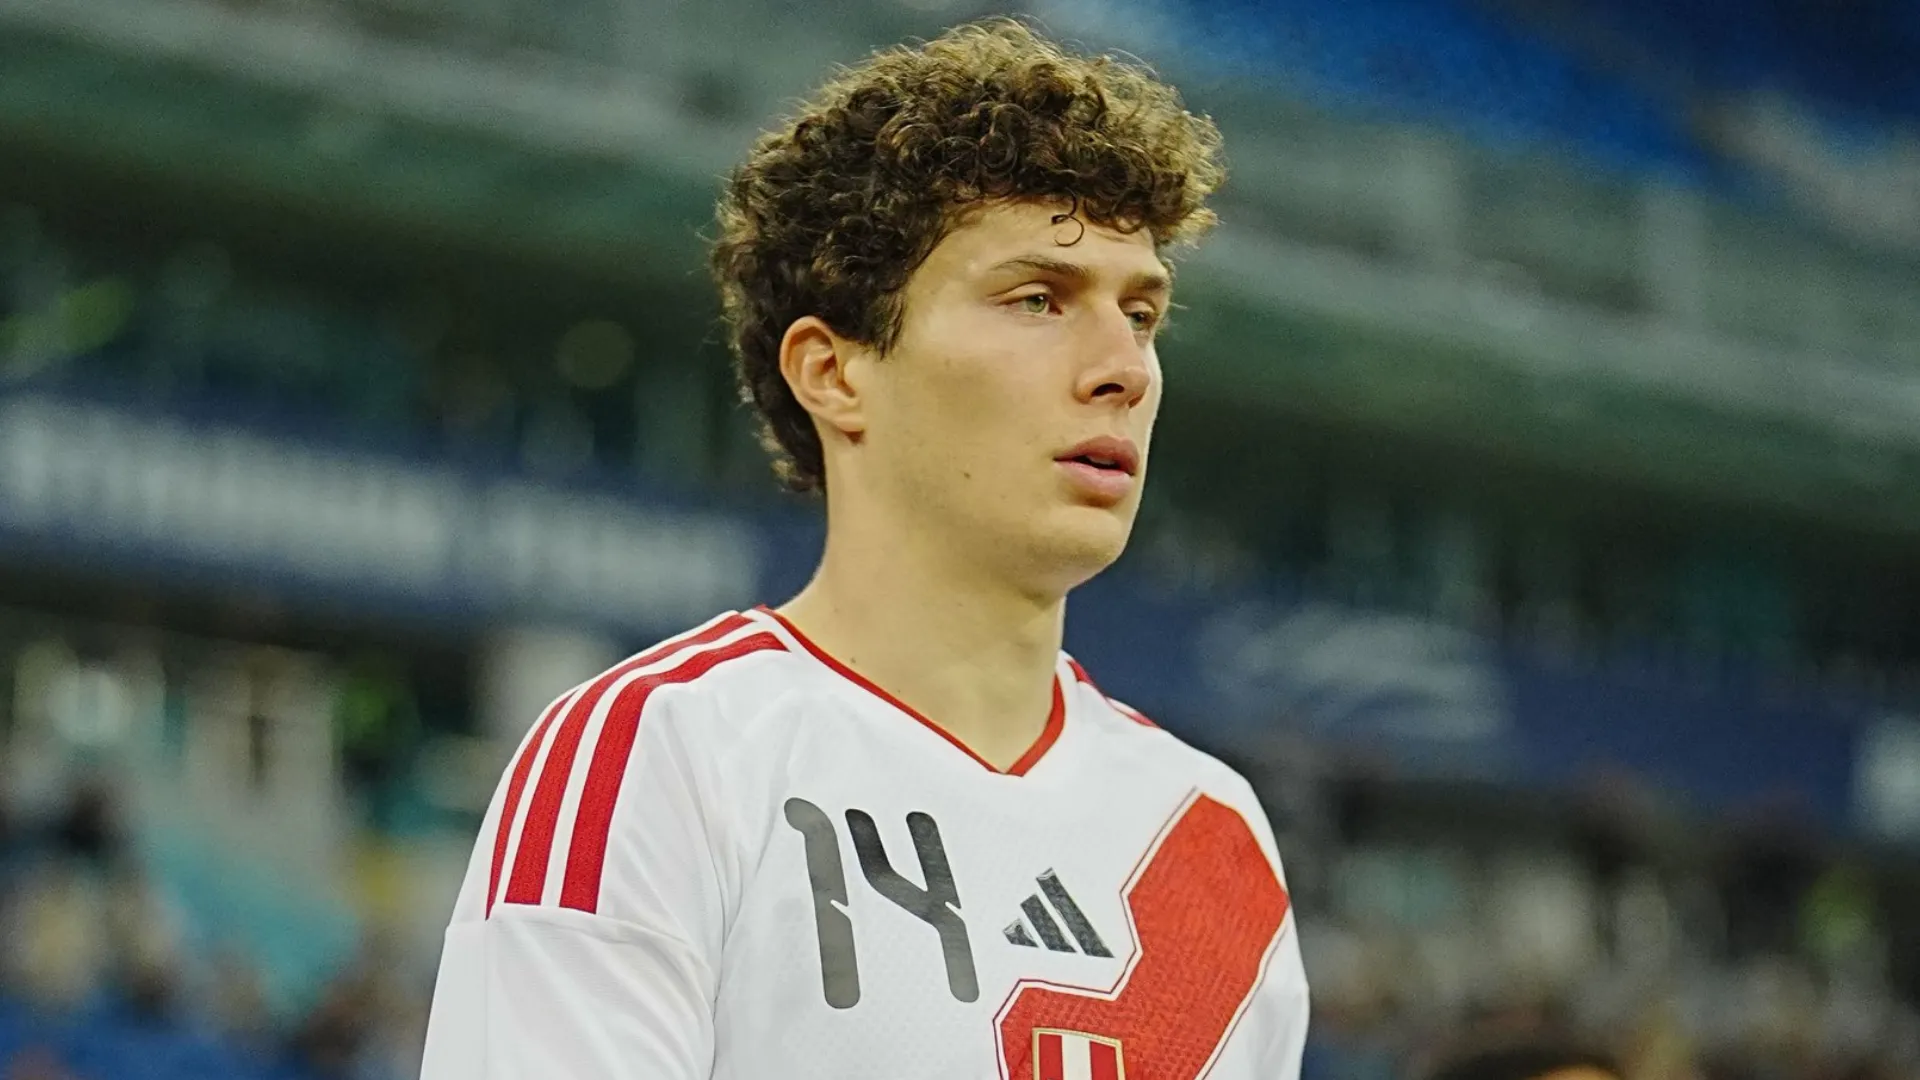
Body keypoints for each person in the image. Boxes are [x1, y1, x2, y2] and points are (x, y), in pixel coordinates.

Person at [420, 17, 1308, 1080]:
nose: (1125, 368)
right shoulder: (659, 756)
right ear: (834, 373)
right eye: (1039, 300)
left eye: (1143, 314)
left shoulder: (1215, 838)